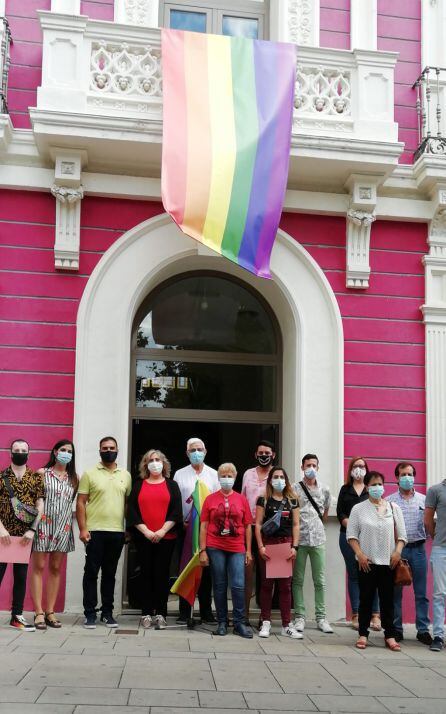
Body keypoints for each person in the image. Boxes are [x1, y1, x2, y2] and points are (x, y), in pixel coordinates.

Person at [347, 470, 407, 651]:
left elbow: (403, 535)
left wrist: (397, 552)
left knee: (388, 601)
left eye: (380, 484)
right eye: (373, 484)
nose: (377, 487)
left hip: (389, 563)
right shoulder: (358, 509)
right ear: (367, 486)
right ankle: (363, 634)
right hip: (367, 563)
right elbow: (351, 535)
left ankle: (390, 635)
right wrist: (360, 554)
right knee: (365, 600)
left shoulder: (393, 507)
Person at [76, 436, 131, 629]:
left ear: (118, 450)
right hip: (94, 532)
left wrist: (127, 529)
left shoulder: (126, 474)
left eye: (112, 447)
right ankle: (90, 613)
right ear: (99, 450)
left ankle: (107, 613)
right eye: (105, 448)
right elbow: (81, 502)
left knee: (110, 574)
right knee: (91, 573)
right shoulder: (89, 474)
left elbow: (127, 504)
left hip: (116, 533)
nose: (109, 450)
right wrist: (83, 529)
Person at [127, 449, 182, 629]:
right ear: (145, 464)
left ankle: (161, 613)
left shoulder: (172, 485)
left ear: (164, 464)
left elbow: (176, 511)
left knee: (162, 575)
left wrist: (161, 531)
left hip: (166, 538)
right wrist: (147, 532)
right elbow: (132, 512)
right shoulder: (138, 485)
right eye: (151, 460)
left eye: (158, 459)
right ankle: (146, 613)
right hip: (144, 538)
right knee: (146, 574)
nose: (155, 462)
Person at [199, 463, 253, 638]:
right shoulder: (210, 499)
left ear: (235, 478)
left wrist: (249, 550)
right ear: (218, 477)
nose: (226, 478)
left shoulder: (241, 499)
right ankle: (222, 621)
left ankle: (239, 622)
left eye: (230, 475)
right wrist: (203, 550)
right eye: (223, 475)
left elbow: (248, 526)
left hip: (237, 547)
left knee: (238, 585)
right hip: (215, 546)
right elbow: (204, 526)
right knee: (219, 585)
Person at [30, 440, 78, 630]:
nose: (66, 453)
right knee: (39, 566)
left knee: (56, 567)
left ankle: (50, 611)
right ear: (55, 452)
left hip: (63, 527)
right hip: (43, 525)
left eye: (69, 451)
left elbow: (71, 502)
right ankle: (38, 612)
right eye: (63, 450)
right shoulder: (42, 473)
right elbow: (34, 500)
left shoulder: (75, 477)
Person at [0, 439, 44, 631]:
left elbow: (40, 505)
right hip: (2, 535)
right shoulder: (1, 477)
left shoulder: (35, 478)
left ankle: (16, 616)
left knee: (21, 576)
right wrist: (0, 529)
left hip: (25, 537)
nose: (19, 452)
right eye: (16, 450)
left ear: (29, 453)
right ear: (10, 453)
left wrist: (32, 529)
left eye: (23, 450)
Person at [174, 437, 219, 624]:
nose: (196, 453)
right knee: (186, 568)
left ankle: (206, 611)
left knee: (206, 570)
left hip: (207, 530)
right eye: (192, 450)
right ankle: (184, 611)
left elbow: (217, 502)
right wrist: (181, 522)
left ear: (206, 451)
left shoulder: (214, 474)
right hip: (185, 529)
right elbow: (175, 502)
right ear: (187, 453)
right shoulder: (179, 474)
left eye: (199, 449)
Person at [388, 462, 431, 645]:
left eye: (410, 474)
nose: (407, 478)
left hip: (419, 550)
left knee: (421, 593)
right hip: (399, 551)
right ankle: (397, 629)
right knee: (396, 592)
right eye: (403, 474)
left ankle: (422, 630)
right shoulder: (389, 500)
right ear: (397, 478)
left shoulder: (424, 499)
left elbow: (430, 522)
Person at [255, 465, 301, 638]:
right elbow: (258, 524)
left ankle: (286, 625)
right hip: (269, 545)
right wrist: (260, 546)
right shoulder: (263, 499)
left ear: (286, 480)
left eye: (282, 477)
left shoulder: (292, 500)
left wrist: (294, 547)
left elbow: (296, 524)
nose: (279, 480)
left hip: (286, 545)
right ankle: (265, 622)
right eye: (276, 477)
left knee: (285, 587)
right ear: (270, 480)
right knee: (267, 586)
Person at [336, 456, 380, 631]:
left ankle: (375, 615)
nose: (359, 469)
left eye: (362, 466)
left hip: (369, 537)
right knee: (354, 575)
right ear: (350, 469)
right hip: (347, 536)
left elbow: (378, 510)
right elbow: (340, 512)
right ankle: (356, 614)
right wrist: (351, 524)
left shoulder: (372, 490)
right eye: (356, 466)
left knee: (373, 574)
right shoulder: (345, 489)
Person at [292, 453, 333, 634]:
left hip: (318, 538)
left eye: (314, 465)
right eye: (307, 465)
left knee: (320, 580)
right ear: (302, 467)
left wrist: (317, 525)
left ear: (318, 467)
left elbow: (325, 511)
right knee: (298, 579)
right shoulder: (294, 488)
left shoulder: (325, 489)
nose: (311, 468)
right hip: (299, 539)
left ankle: (321, 618)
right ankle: (299, 617)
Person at [242, 439, 275, 625]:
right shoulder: (247, 474)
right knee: (246, 572)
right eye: (260, 453)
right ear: (256, 455)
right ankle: (244, 615)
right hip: (248, 528)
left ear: (273, 455)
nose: (264, 456)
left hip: (268, 530)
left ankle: (265, 617)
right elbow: (242, 498)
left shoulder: (277, 476)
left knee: (266, 576)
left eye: (267, 453)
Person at [425, 476, 446, 652]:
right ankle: (438, 635)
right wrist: (437, 538)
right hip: (441, 549)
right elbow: (428, 520)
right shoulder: (435, 490)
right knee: (439, 593)